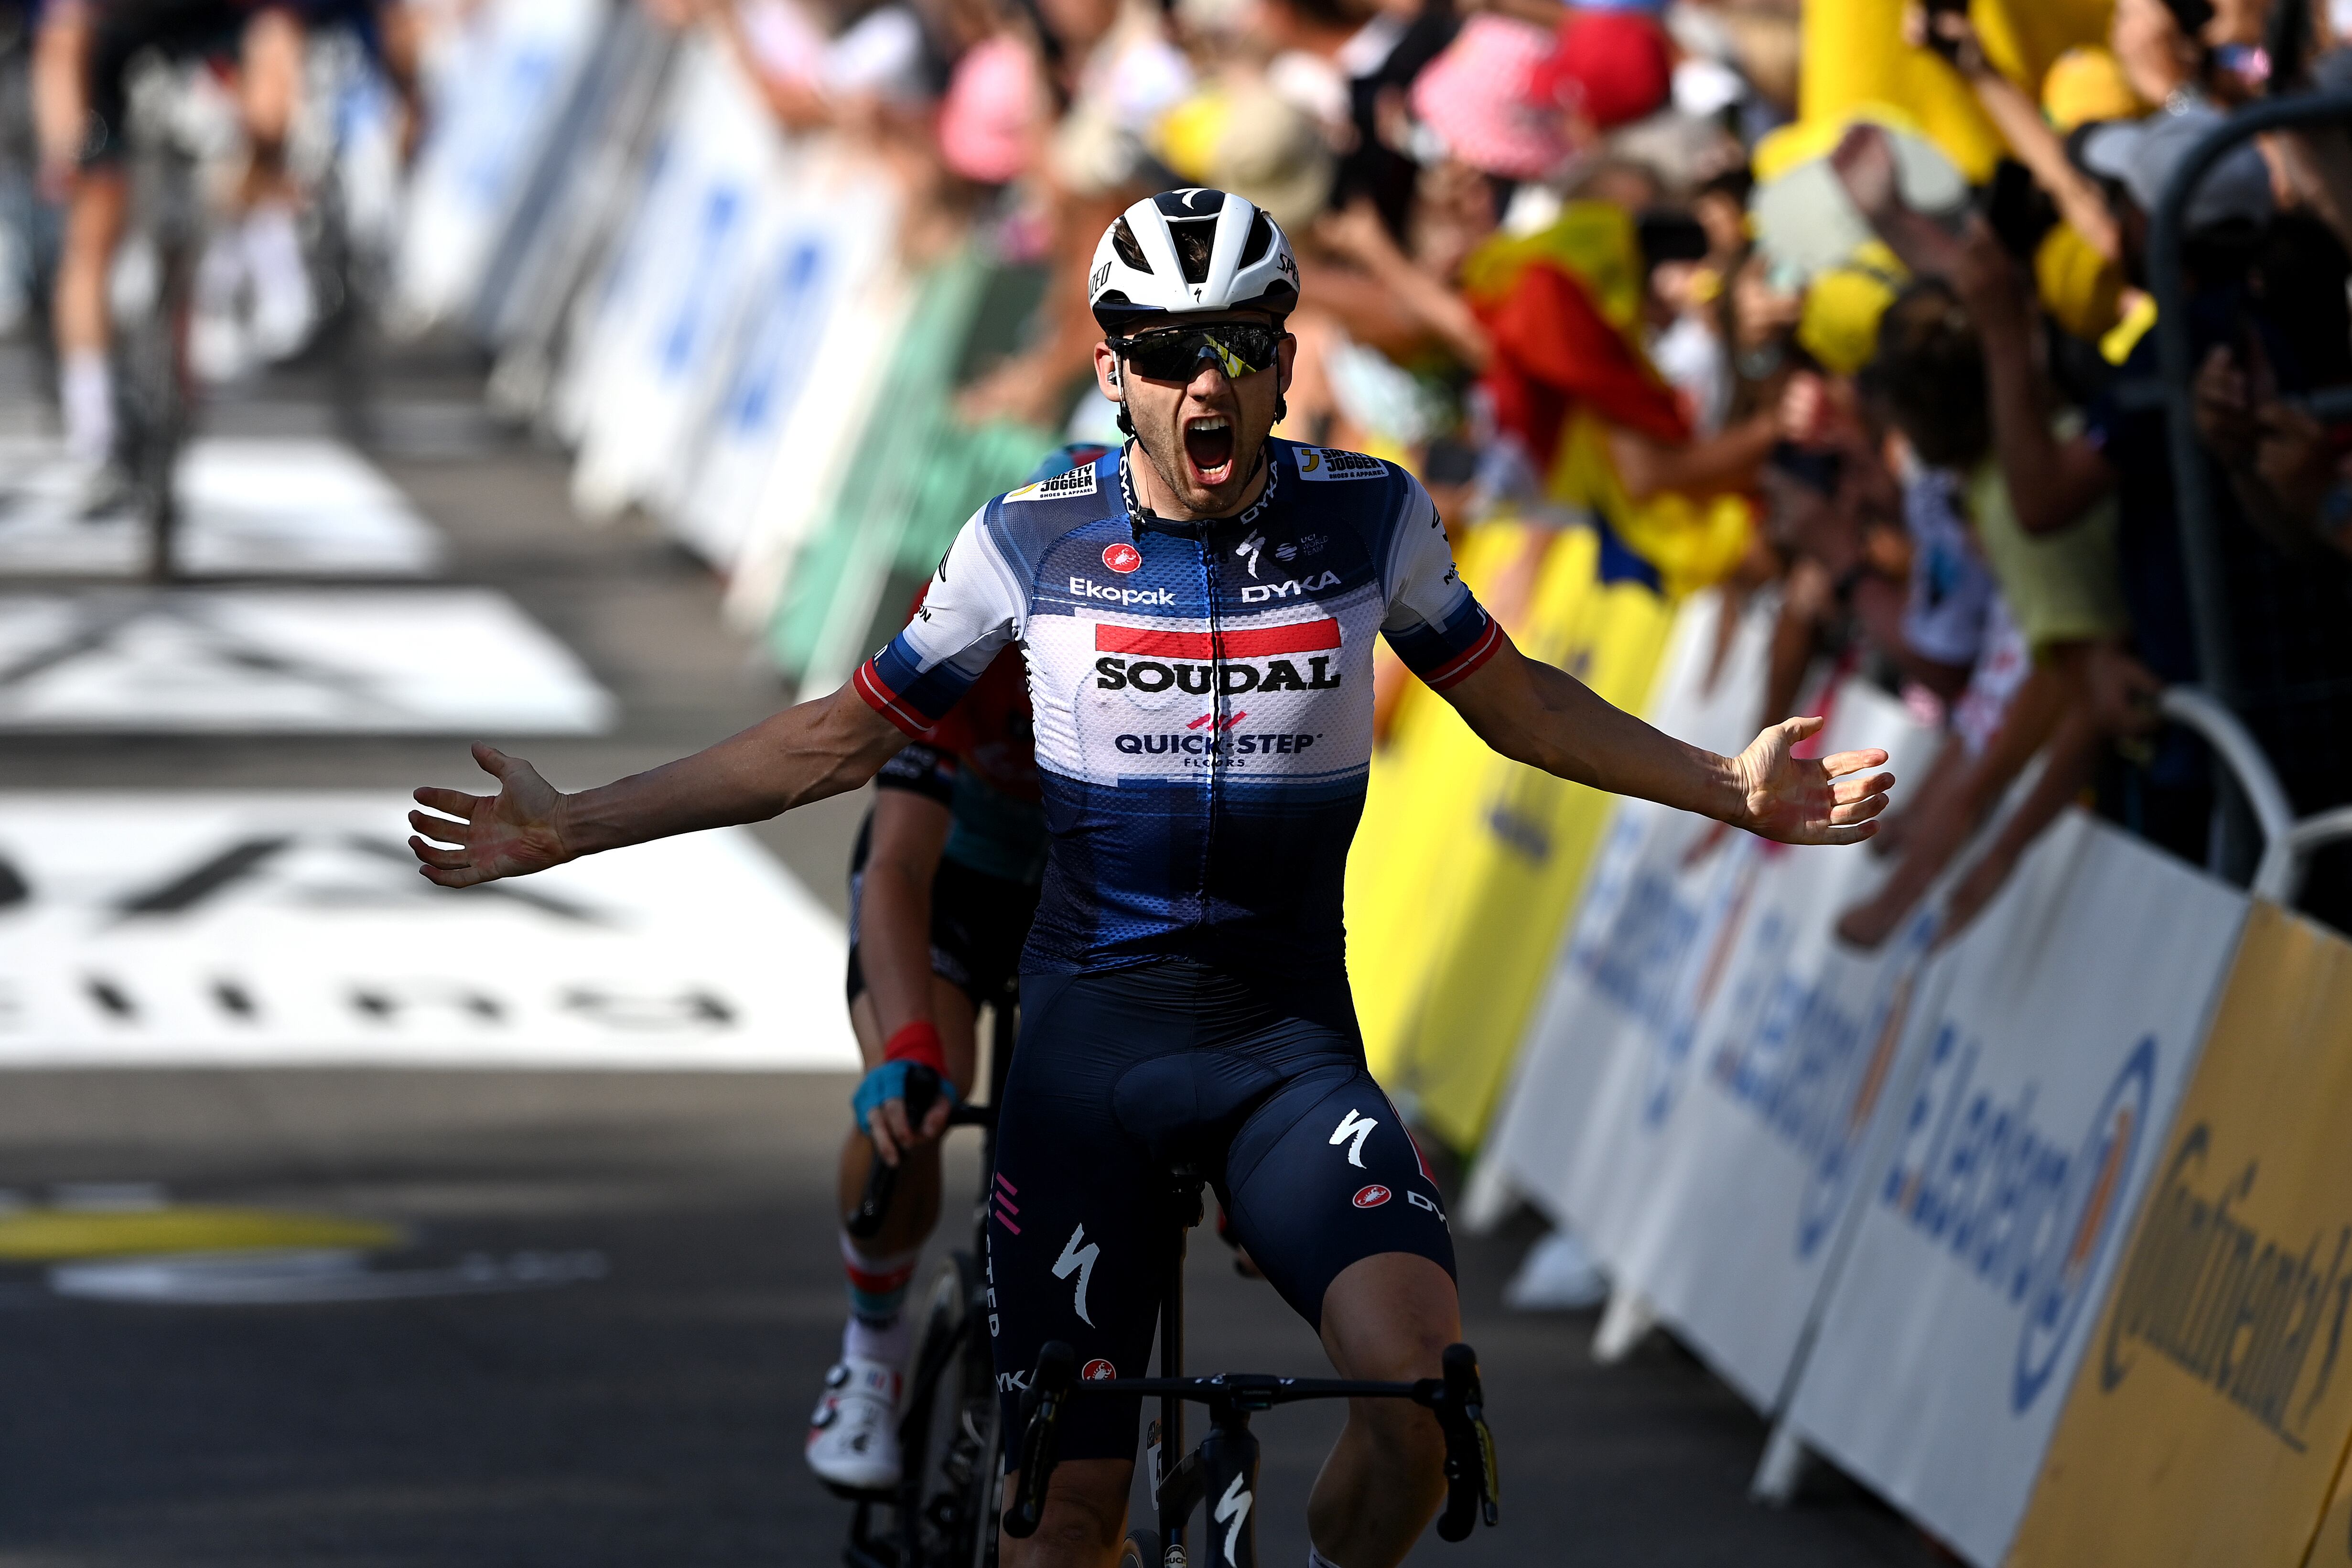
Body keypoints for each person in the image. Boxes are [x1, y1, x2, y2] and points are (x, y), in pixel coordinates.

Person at [408, 188, 1894, 1568]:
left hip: (1284, 1052)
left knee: (1425, 1399)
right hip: (1084, 1066)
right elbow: (830, 746)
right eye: (1170, 351)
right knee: (1068, 1514)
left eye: (1240, 347)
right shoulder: (1028, 541)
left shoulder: (1368, 519)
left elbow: (1522, 705)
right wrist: (578, 823)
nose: (1208, 383)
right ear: (1113, 365)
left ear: (1283, 362)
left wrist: (1720, 784)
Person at [805, 458, 1075, 1495]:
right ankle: (869, 1357)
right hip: (951, 883)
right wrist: (909, 1043)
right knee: (921, 1097)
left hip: (1080, 902)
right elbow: (900, 868)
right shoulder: (969, 617)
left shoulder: (1172, 632)